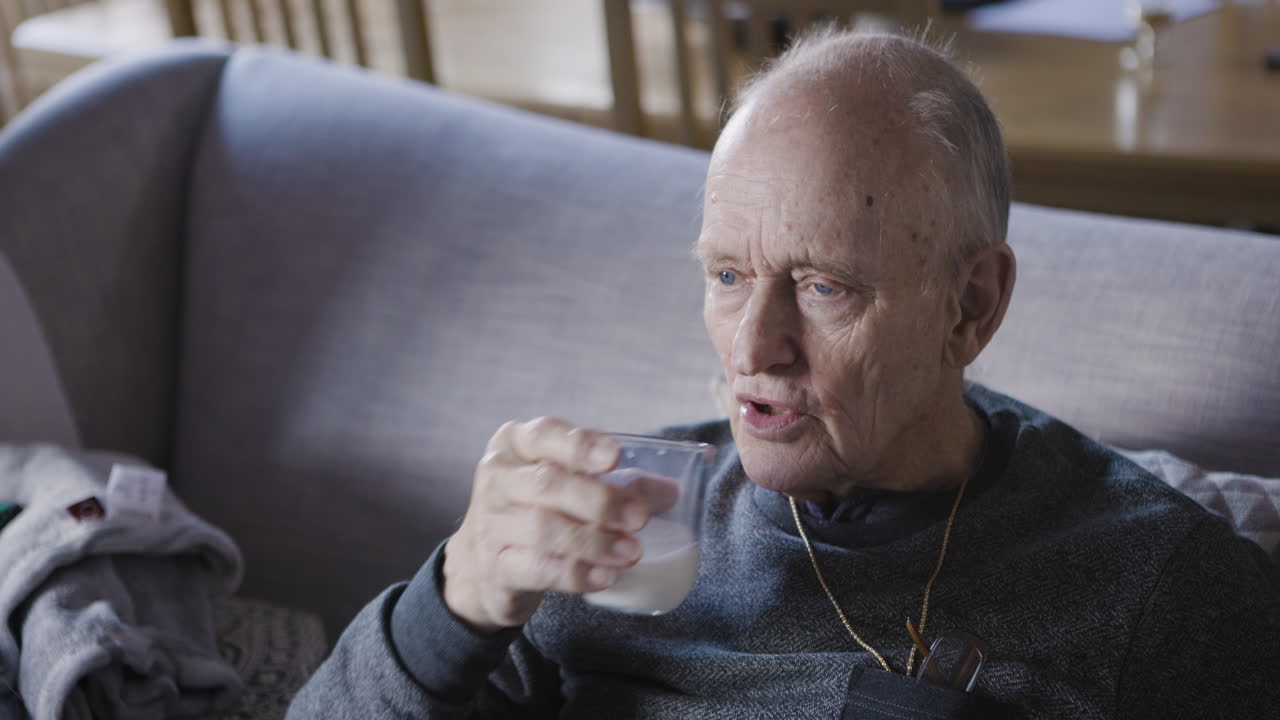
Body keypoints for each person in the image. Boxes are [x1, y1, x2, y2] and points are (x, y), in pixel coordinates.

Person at [288, 30, 1280, 718]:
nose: (752, 349)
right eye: (726, 275)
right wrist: (452, 598)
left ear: (968, 305)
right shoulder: (618, 524)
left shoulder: (1151, 582)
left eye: (821, 288)